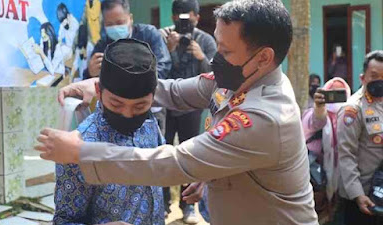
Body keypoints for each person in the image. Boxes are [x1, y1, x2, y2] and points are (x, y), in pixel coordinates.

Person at [35, 1, 319, 224]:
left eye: (225, 51)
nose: (213, 58)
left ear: (264, 57)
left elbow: (175, 163)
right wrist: (104, 82)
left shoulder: (266, 117)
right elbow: (174, 91)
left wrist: (82, 153)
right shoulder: (241, 78)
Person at [53, 39, 165, 225]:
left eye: (140, 106)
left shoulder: (149, 121)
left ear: (153, 97)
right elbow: (64, 220)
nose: (128, 115)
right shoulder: (79, 146)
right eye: (116, 104)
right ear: (98, 90)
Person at [158, 0, 217, 222]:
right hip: (165, 107)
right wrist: (169, 50)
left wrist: (201, 57)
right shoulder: (162, 36)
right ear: (173, 17)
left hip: (192, 109)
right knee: (162, 153)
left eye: (190, 15)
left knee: (189, 157)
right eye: (180, 15)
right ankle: (163, 205)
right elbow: (158, 72)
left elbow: (217, 75)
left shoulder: (205, 40)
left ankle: (188, 206)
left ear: (197, 17)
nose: (185, 19)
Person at [337, 50, 383, 225]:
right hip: (363, 198)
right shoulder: (353, 109)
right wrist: (358, 195)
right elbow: (346, 155)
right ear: (362, 78)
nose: (380, 81)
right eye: (375, 76)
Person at [83, 0, 171, 80]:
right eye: (109, 24)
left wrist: (144, 84)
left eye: (119, 23)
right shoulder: (102, 46)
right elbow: (89, 81)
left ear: (131, 19)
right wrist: (90, 73)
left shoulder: (148, 34)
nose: (115, 28)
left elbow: (163, 65)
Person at [302, 77, 351, 220]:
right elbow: (316, 122)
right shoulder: (314, 113)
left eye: (339, 92)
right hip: (318, 179)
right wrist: (319, 107)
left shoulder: (351, 116)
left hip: (344, 181)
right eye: (331, 91)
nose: (334, 95)